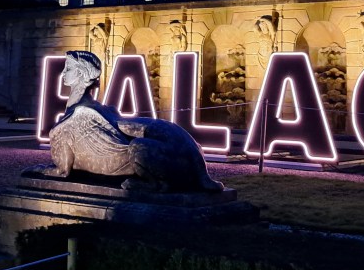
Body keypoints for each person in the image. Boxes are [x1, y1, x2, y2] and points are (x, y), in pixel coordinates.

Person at [26, 50, 223, 193]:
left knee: (138, 148)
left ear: (81, 74)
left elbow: (62, 171)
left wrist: (39, 169)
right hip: (177, 158)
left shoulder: (80, 116)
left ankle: (156, 185)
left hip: (167, 163)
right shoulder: (100, 111)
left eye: (68, 69)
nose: (63, 74)